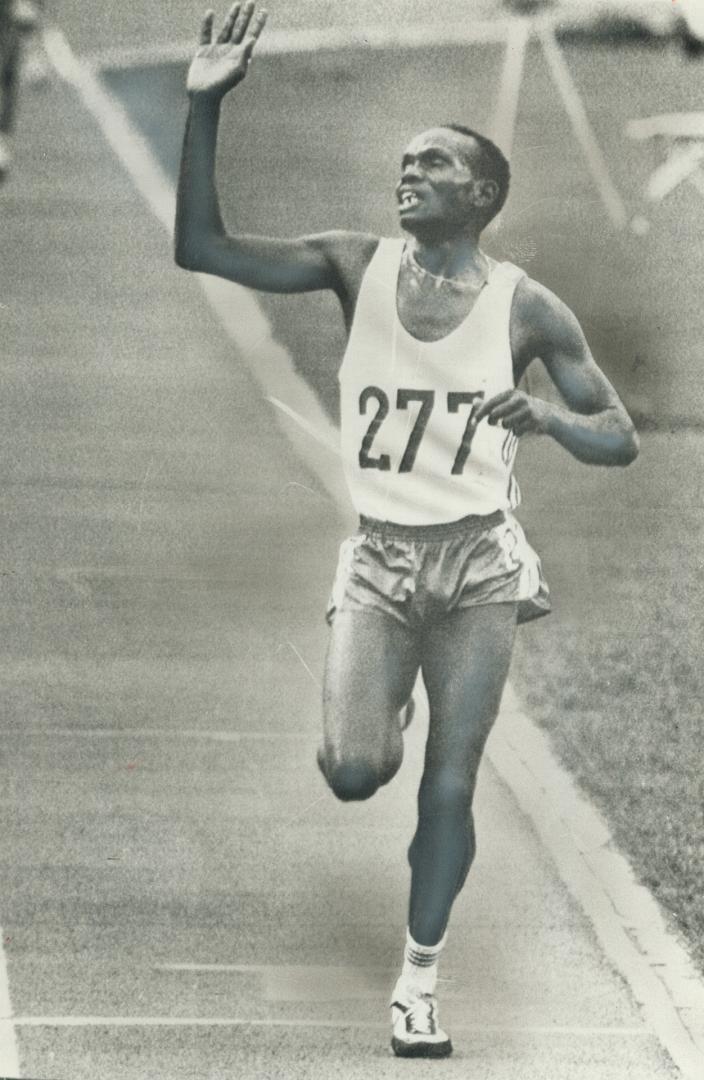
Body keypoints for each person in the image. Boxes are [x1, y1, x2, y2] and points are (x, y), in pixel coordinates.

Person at [175, 2, 639, 1059]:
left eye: (428, 163)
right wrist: (205, 110)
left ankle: (417, 981)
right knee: (351, 768)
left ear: (478, 195)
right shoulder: (354, 264)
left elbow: (617, 438)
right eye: (401, 161)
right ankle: (368, 698)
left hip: (477, 566)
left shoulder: (528, 309)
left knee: (450, 779)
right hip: (382, 561)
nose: (405, 173)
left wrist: (551, 420)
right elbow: (200, 247)